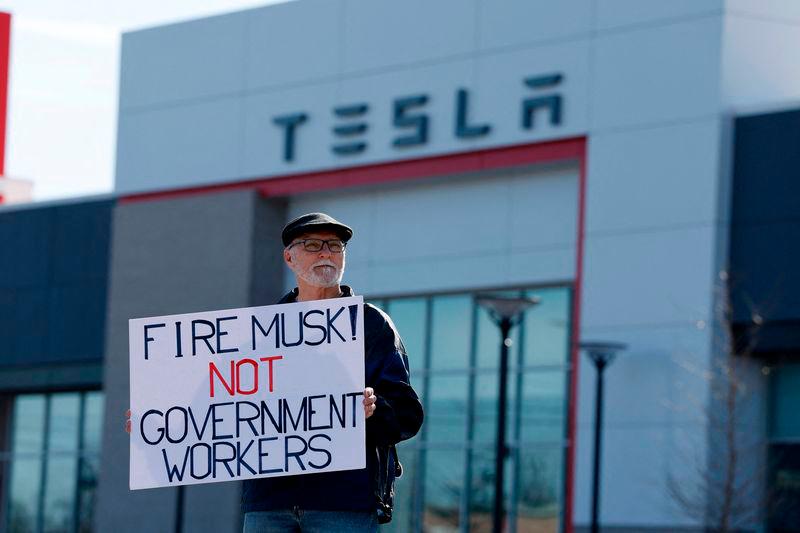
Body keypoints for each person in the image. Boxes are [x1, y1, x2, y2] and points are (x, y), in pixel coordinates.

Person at [126, 212, 424, 533]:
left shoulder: (371, 325)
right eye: (312, 245)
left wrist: (372, 411)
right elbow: (216, 409)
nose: (325, 252)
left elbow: (407, 415)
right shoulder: (259, 334)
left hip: (343, 502)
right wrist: (160, 425)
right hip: (269, 504)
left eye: (335, 246)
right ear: (289, 257)